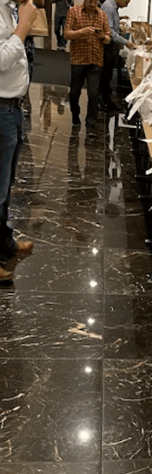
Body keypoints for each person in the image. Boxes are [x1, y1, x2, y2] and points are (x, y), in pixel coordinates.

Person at [0, 0, 36, 281]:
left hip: (12, 108)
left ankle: (4, 244)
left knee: (6, 185)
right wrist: (23, 26)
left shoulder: (9, 7)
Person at [64, 0, 110, 129]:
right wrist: (82, 31)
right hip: (78, 59)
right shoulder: (74, 11)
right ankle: (75, 114)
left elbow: (108, 39)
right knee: (74, 92)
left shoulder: (102, 15)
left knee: (94, 93)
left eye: (95, 1)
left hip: (95, 59)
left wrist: (101, 36)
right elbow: (67, 34)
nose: (93, 4)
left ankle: (91, 122)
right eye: (90, 1)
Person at [99, 0, 134, 112]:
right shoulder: (109, 6)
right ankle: (102, 102)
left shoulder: (113, 7)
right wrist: (126, 42)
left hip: (111, 46)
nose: (127, 5)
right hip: (107, 46)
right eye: (126, 2)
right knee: (105, 74)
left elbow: (111, 23)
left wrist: (119, 19)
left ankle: (105, 100)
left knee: (108, 75)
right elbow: (109, 30)